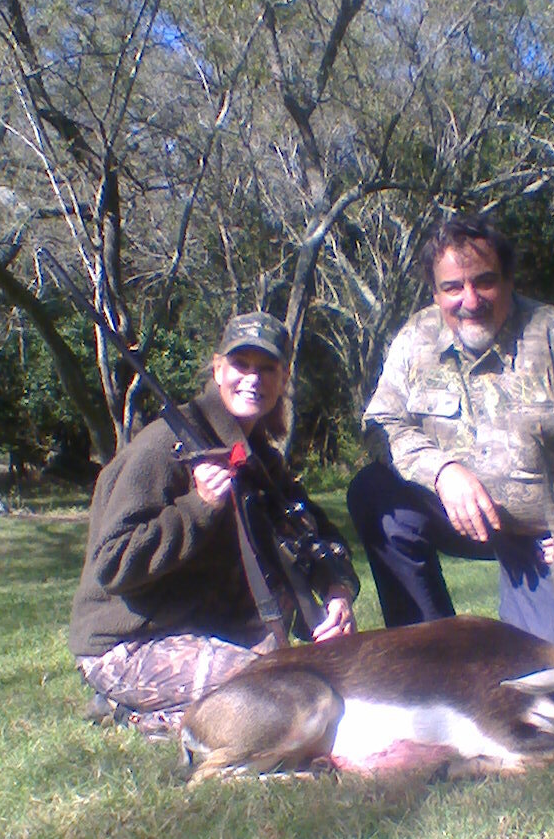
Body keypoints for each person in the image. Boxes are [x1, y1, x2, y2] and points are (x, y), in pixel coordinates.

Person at [347, 214, 554, 650]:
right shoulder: (416, 338)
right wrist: (443, 471)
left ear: (508, 279)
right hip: (465, 517)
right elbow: (381, 425)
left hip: (551, 537)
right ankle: (431, 646)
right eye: (452, 288)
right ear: (435, 292)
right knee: (372, 491)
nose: (470, 300)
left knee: (545, 660)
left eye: (484, 282)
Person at [69, 312, 359, 739]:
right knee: (282, 693)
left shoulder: (258, 455)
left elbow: (314, 528)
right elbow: (113, 565)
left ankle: (165, 706)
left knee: (317, 682)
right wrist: (198, 506)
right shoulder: (159, 448)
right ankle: (130, 706)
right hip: (128, 643)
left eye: (268, 369)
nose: (254, 379)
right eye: (242, 365)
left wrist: (337, 590)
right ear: (218, 368)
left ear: (282, 381)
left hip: (201, 624)